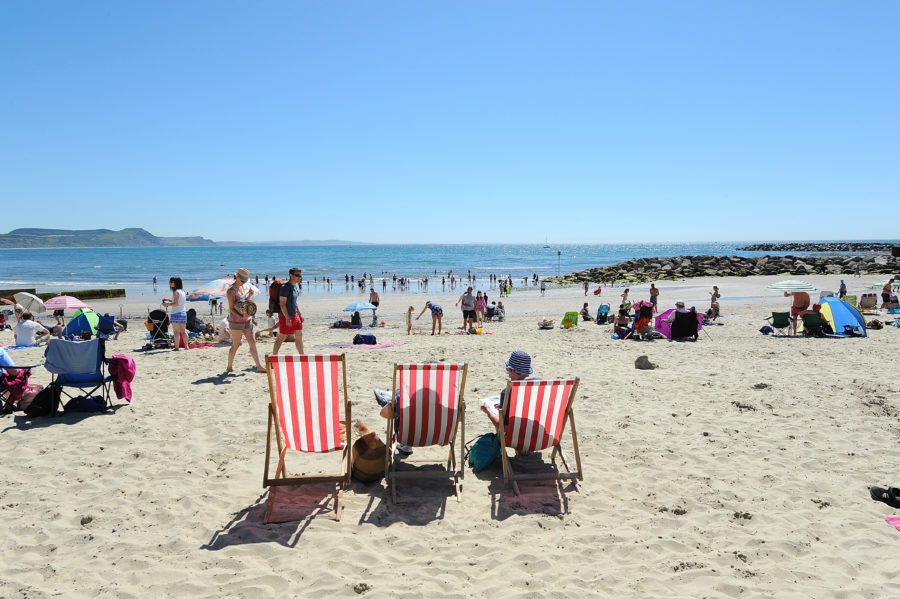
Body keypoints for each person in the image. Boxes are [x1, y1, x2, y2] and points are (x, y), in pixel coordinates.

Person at [481, 351, 538, 428]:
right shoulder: (543, 386)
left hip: (516, 438)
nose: (508, 374)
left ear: (513, 370)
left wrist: (488, 411)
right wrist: (505, 405)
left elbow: (502, 427)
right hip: (542, 438)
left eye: (508, 370)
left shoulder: (509, 391)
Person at [225, 268, 265, 373]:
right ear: (237, 277)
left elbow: (242, 303)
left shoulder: (242, 286)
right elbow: (232, 308)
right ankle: (229, 366)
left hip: (247, 319)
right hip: (236, 321)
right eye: (242, 280)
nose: (243, 282)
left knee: (252, 342)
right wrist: (240, 316)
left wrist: (249, 296)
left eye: (245, 281)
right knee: (236, 345)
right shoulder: (231, 291)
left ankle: (259, 366)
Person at [272, 267, 304, 354]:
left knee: (299, 335)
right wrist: (287, 318)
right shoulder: (285, 288)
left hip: (295, 316)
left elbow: (295, 302)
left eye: (300, 275)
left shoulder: (295, 287)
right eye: (297, 275)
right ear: (291, 275)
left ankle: (302, 356)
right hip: (285, 316)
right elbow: (282, 304)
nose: (299, 277)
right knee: (281, 337)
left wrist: (300, 314)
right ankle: (274, 357)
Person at [161, 277, 188, 350]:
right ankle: (186, 346)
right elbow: (180, 302)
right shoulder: (183, 291)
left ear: (175, 283)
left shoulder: (176, 292)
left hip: (176, 313)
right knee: (183, 331)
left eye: (171, 282)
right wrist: (169, 300)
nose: (170, 283)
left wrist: (167, 304)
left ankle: (176, 347)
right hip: (183, 313)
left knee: (176, 331)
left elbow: (176, 304)